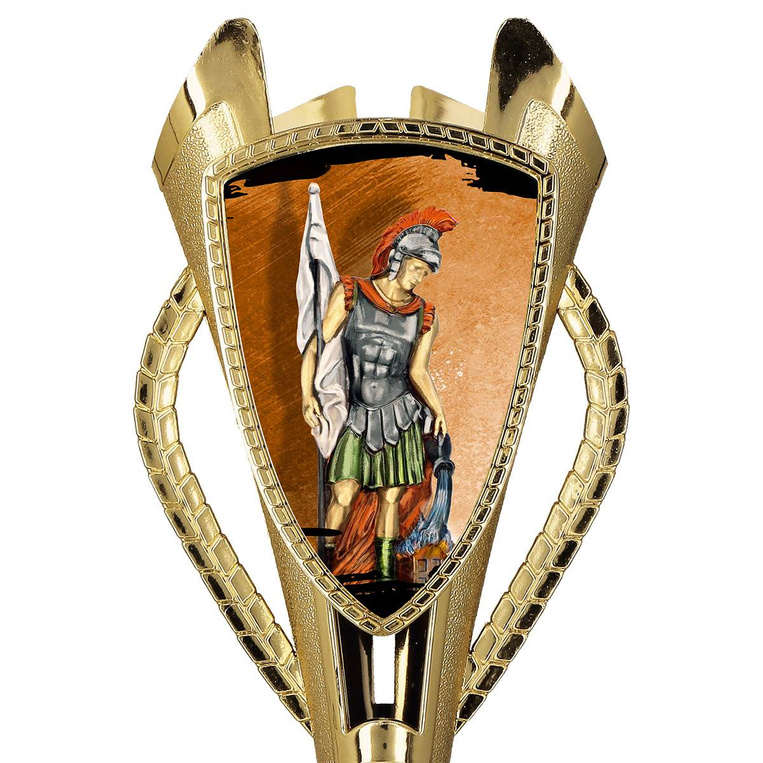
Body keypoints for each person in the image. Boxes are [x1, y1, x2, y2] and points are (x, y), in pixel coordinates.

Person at [300, 208, 457, 581]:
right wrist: (307, 395)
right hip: (359, 415)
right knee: (342, 495)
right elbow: (315, 346)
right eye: (416, 268)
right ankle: (322, 569)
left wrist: (438, 409)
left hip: (400, 415)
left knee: (391, 499)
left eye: (425, 273)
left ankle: (385, 578)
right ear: (398, 260)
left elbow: (418, 371)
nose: (419, 278)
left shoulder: (425, 313)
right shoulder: (352, 292)